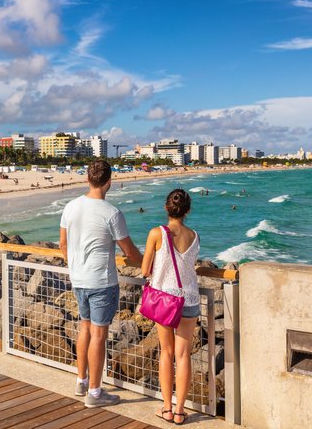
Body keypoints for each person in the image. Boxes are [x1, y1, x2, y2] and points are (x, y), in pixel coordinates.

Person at [60, 160, 142, 408]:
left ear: (88, 179)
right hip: (101, 282)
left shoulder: (70, 207)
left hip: (79, 280)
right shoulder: (111, 212)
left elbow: (63, 244)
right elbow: (129, 252)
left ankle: (82, 380)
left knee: (84, 329)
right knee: (98, 335)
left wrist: (74, 265)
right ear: (109, 181)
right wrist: (150, 264)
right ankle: (95, 393)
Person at [141, 189, 200, 425]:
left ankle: (166, 408)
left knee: (166, 352)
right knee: (183, 355)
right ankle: (180, 411)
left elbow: (146, 270)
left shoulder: (157, 233)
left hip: (166, 300)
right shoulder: (195, 236)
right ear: (188, 211)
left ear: (167, 208)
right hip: (190, 299)